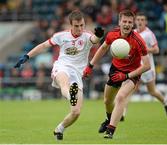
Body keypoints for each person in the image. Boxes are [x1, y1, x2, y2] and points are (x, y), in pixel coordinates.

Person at [14, 10, 104, 140]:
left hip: (77, 74)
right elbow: (44, 45)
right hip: (62, 66)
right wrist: (27, 56)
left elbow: (94, 39)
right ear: (70, 25)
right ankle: (70, 95)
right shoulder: (61, 36)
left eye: (82, 25)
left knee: (76, 112)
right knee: (64, 83)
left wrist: (99, 35)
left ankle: (60, 128)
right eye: (76, 26)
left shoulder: (87, 36)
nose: (79, 28)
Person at [83, 10, 150, 139]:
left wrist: (126, 76)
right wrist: (89, 66)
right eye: (124, 21)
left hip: (132, 73)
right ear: (119, 22)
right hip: (116, 69)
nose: (126, 24)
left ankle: (110, 130)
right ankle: (108, 119)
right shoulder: (112, 34)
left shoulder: (138, 40)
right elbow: (102, 48)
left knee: (120, 98)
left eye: (130, 22)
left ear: (133, 24)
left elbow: (147, 66)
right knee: (107, 101)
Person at [134, 12, 167, 116]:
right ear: (135, 21)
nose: (140, 22)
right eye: (138, 19)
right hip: (135, 66)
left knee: (152, 91)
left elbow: (156, 49)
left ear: (146, 22)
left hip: (147, 67)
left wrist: (144, 50)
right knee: (127, 89)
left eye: (142, 20)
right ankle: (122, 114)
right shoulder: (132, 33)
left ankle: (165, 102)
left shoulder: (149, 34)